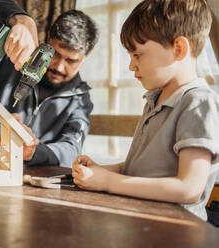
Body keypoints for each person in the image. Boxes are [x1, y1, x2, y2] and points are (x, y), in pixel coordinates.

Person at [72, 0, 219, 221]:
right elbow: (141, 168)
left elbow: (188, 189)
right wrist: (102, 171)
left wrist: (109, 182)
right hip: (142, 221)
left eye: (137, 55)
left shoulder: (198, 103)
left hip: (176, 231)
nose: (131, 65)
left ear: (179, 49)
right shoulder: (155, 99)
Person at [0, 0, 98, 167]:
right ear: (48, 38)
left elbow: (72, 148)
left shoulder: (80, 101)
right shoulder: (14, 58)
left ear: (87, 56)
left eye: (71, 60)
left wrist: (34, 151)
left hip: (26, 182)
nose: (59, 66)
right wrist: (22, 21)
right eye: (55, 54)